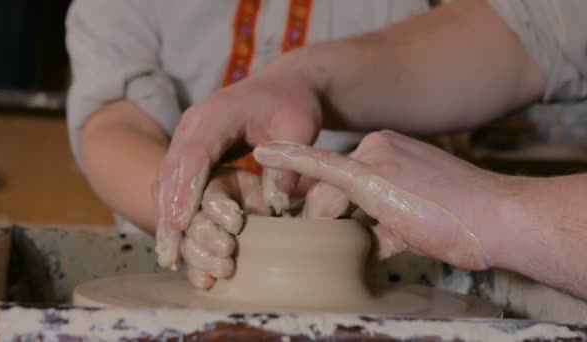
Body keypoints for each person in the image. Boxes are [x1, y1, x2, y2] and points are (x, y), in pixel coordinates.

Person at [67, 0, 587, 300]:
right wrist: (305, 81)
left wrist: (493, 210)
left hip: (380, 266)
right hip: (188, 271)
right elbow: (535, 26)